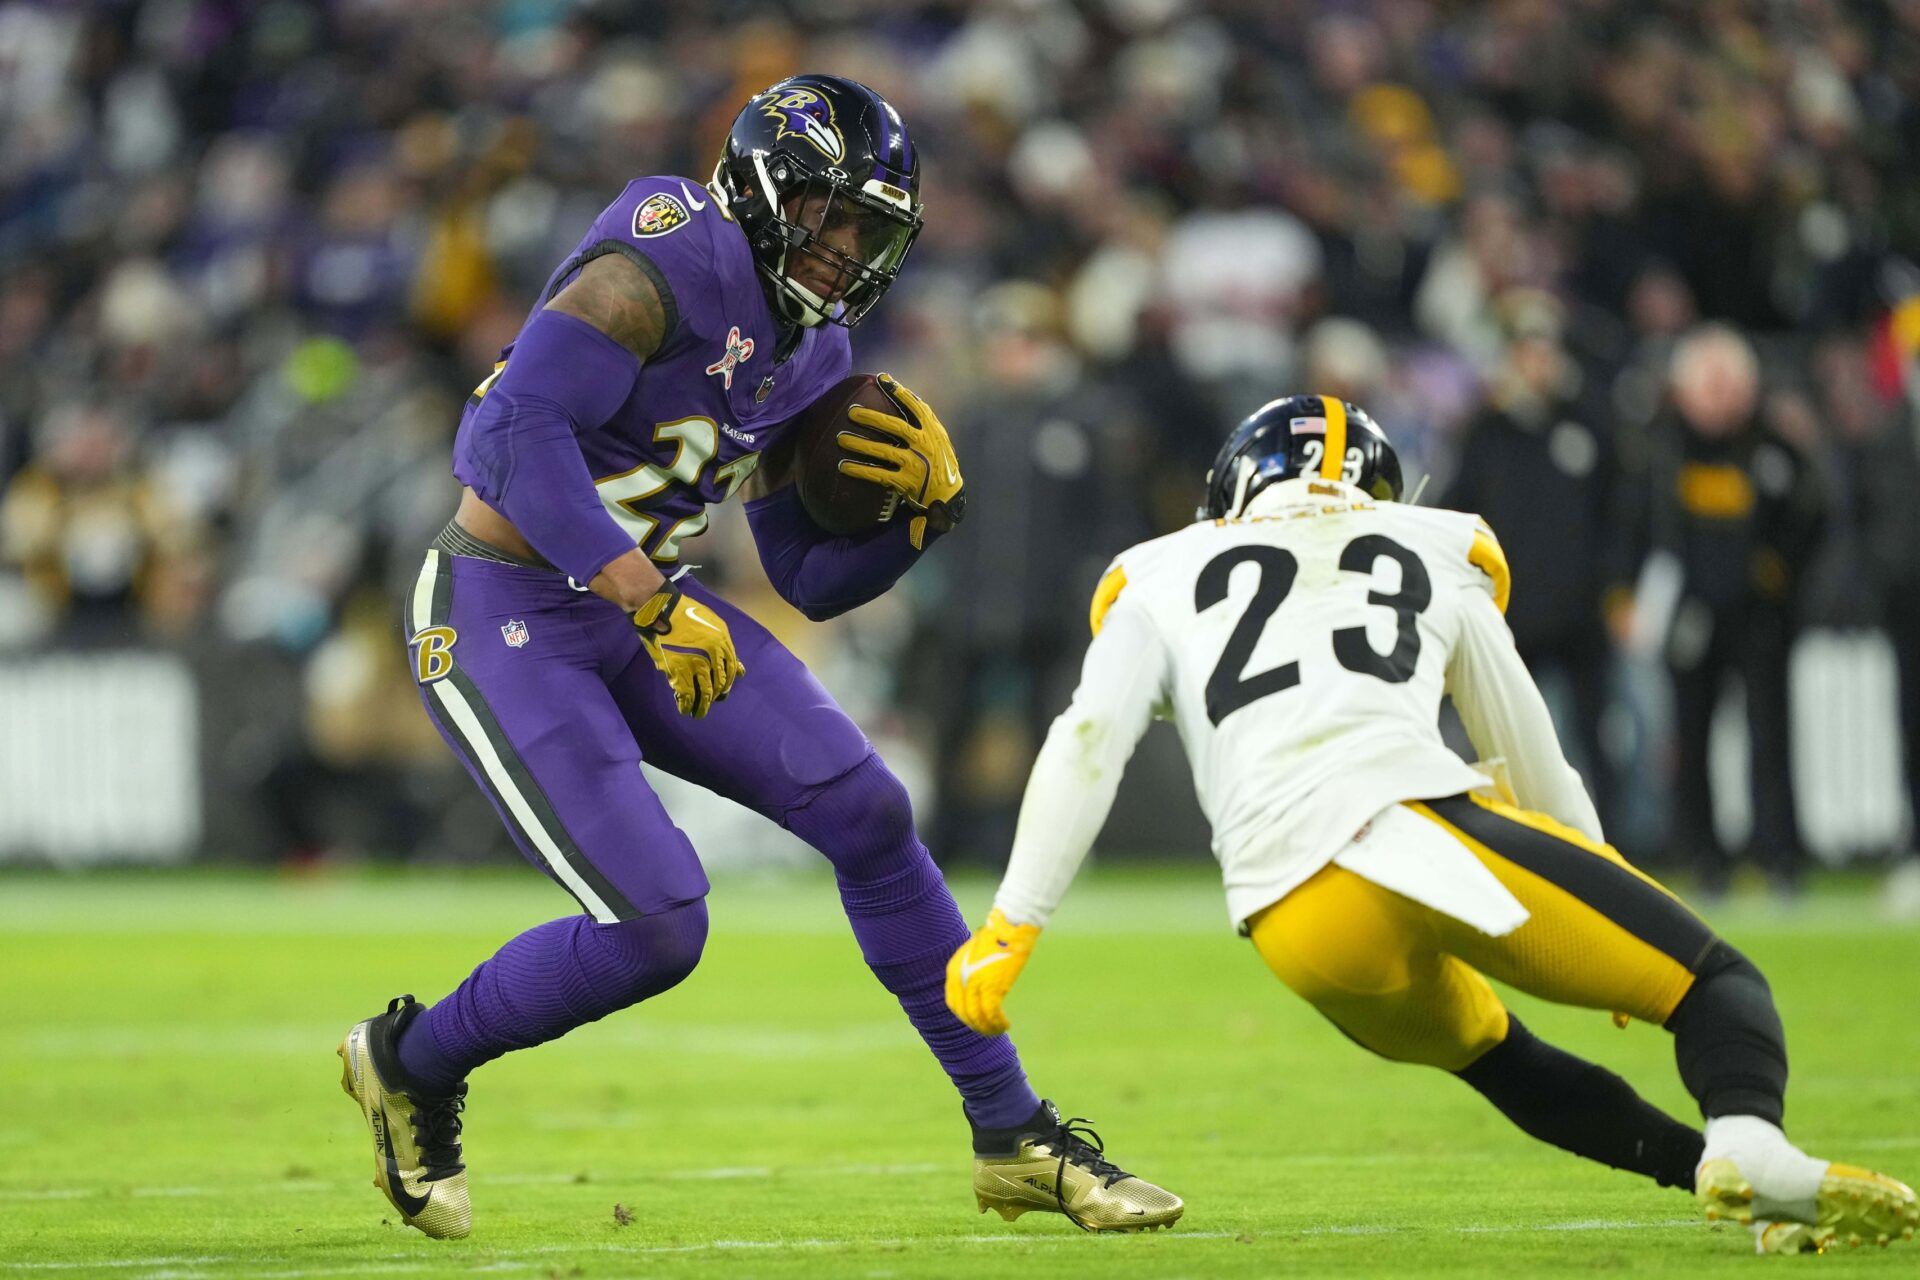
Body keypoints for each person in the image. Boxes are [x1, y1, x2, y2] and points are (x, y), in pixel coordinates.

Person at [335, 75, 1181, 1240]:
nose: (844, 251)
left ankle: (1013, 1132)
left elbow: (803, 580)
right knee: (658, 924)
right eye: (829, 215)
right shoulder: (663, 253)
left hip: (642, 608)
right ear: (766, 188)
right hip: (500, 605)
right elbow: (507, 436)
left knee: (872, 814)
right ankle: (411, 1058)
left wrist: (919, 524)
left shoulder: (814, 343)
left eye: (867, 230)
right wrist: (637, 591)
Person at [946, 395, 1916, 1254]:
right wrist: (1609, 880)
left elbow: (1085, 744)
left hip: (1293, 921)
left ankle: (1716, 1173)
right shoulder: (1434, 543)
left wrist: (1012, 921)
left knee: (1509, 1062)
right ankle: (1751, 1143)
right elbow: (1529, 751)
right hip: (1416, 827)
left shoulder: (1158, 572)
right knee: (1716, 982)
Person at [1609, 326, 1824, 895]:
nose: (1720, 396)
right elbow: (1631, 527)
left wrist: (1777, 574)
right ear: (1683, 389)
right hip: (1689, 618)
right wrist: (1624, 595)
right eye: (1709, 384)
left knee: (1771, 739)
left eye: (1730, 383)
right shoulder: (1659, 448)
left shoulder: (1773, 447)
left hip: (1758, 619)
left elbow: (1813, 512)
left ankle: (1780, 858)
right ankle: (1704, 860)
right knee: (1689, 739)